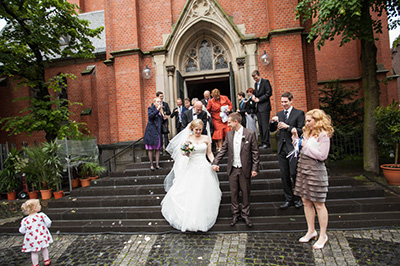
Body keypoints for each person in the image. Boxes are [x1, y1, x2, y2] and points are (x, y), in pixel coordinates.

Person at [161, 119, 222, 232]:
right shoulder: (188, 139)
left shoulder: (206, 138)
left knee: (202, 192)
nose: (198, 132)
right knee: (191, 192)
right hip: (191, 167)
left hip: (203, 167)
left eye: (200, 130)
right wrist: (186, 152)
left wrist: (214, 163)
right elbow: (184, 154)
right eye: (196, 130)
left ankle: (202, 218)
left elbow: (209, 153)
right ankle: (189, 219)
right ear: (192, 129)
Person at [292, 109, 334, 250]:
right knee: (305, 201)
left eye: (309, 120)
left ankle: (323, 235)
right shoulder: (307, 133)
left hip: (316, 171)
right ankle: (311, 230)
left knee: (319, 203)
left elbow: (322, 156)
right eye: (307, 121)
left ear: (318, 120)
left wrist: (305, 146)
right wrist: (295, 140)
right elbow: (300, 150)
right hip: (303, 168)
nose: (307, 123)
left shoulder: (323, 135)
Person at [212, 112, 259, 227]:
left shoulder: (250, 133)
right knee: (233, 193)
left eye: (229, 122)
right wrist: (215, 162)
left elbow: (255, 153)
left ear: (236, 121)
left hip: (245, 168)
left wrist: (255, 168)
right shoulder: (229, 134)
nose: (228, 125)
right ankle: (235, 214)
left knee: (245, 192)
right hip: (232, 168)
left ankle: (245, 214)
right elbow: (223, 150)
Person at [270, 92, 305, 210]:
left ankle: (300, 198)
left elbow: (301, 130)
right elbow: (272, 130)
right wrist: (272, 122)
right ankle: (288, 199)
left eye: (285, 102)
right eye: (282, 102)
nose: (283, 104)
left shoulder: (299, 113)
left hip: (293, 148)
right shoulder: (279, 114)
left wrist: (287, 127)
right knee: (284, 174)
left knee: (294, 173)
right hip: (282, 148)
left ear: (291, 101)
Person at [19, 199, 53, 266]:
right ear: (34, 208)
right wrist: (46, 227)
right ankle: (46, 260)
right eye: (39, 205)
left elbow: (22, 230)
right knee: (44, 248)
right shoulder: (41, 215)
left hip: (32, 239)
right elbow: (48, 222)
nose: (40, 206)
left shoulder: (25, 220)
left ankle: (35, 264)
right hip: (42, 235)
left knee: (34, 252)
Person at [252, 70, 272, 149]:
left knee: (264, 125)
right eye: (254, 78)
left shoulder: (265, 82)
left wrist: (259, 99)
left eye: (256, 78)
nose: (255, 80)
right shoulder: (255, 84)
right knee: (260, 125)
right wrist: (254, 96)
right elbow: (257, 93)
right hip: (259, 108)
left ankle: (266, 143)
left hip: (265, 107)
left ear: (259, 75)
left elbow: (269, 93)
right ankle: (263, 142)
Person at [143, 97, 164, 171]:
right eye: (158, 102)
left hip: (158, 132)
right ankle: (152, 165)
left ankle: (157, 165)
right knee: (151, 149)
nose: (159, 103)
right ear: (154, 103)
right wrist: (157, 110)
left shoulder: (160, 111)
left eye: (160, 102)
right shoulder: (150, 109)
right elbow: (150, 116)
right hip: (151, 132)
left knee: (158, 149)